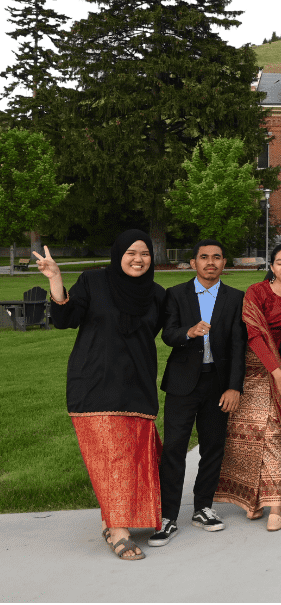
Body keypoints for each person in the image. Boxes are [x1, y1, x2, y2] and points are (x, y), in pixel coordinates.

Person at [35, 231, 166, 561]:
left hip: (138, 385)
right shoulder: (93, 281)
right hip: (94, 382)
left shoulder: (156, 295)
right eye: (131, 252)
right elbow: (66, 319)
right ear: (118, 253)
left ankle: (128, 519)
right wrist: (55, 279)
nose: (138, 259)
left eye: (145, 254)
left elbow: (171, 332)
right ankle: (117, 529)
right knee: (113, 459)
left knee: (137, 457)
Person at [151, 239, 246, 547]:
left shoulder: (235, 298)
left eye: (216, 257)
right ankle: (167, 515)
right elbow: (168, 334)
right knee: (175, 448)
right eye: (203, 257)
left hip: (217, 384)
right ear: (193, 262)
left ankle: (203, 507)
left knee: (213, 446)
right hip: (182, 383)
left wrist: (234, 386)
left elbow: (237, 346)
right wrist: (188, 333)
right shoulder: (176, 294)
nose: (210, 262)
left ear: (224, 262)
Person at [215, 241, 281, 532]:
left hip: (279, 371)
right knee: (248, 436)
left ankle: (275, 505)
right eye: (280, 262)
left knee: (271, 433)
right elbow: (254, 334)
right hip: (251, 370)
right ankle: (252, 502)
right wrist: (276, 373)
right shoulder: (258, 292)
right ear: (271, 267)